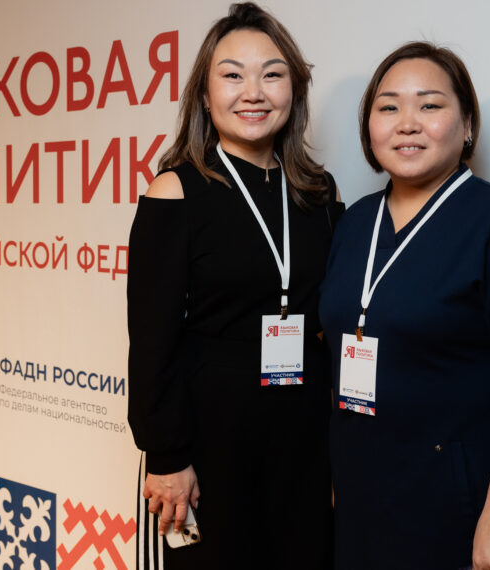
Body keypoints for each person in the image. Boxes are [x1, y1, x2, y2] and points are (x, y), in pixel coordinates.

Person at [320, 42, 490, 570]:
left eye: (429, 105)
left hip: (454, 504)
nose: (407, 123)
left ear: (467, 125)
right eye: (388, 107)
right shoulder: (353, 223)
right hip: (360, 501)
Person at [127, 3, 341, 569]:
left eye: (272, 74)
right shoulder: (175, 192)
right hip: (209, 440)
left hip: (302, 438)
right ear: (204, 94)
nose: (253, 92)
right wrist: (167, 456)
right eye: (232, 75)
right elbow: (151, 344)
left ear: (294, 89)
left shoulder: (319, 194)